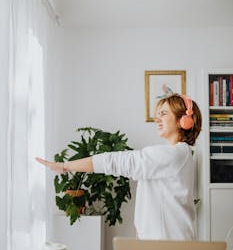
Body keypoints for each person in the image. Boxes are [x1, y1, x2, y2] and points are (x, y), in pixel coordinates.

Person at [36, 93, 202, 241]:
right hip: (167, 245)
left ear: (183, 121)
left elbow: (116, 162)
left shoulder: (173, 155)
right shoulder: (179, 154)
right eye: (157, 114)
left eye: (163, 114)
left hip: (169, 248)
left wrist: (65, 166)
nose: (157, 119)